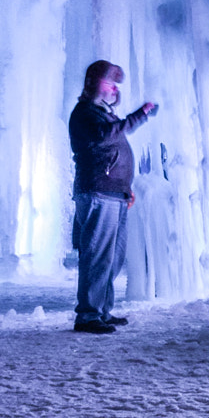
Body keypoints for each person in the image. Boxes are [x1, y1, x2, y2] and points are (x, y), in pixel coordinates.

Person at [69, 60, 158, 334]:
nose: (114, 88)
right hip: (97, 192)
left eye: (116, 84)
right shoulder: (86, 113)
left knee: (112, 257)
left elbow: (114, 142)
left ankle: (101, 311)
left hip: (113, 193)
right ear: (95, 84)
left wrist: (124, 187)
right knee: (97, 255)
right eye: (109, 82)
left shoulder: (103, 114)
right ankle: (88, 315)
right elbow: (105, 136)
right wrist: (138, 115)